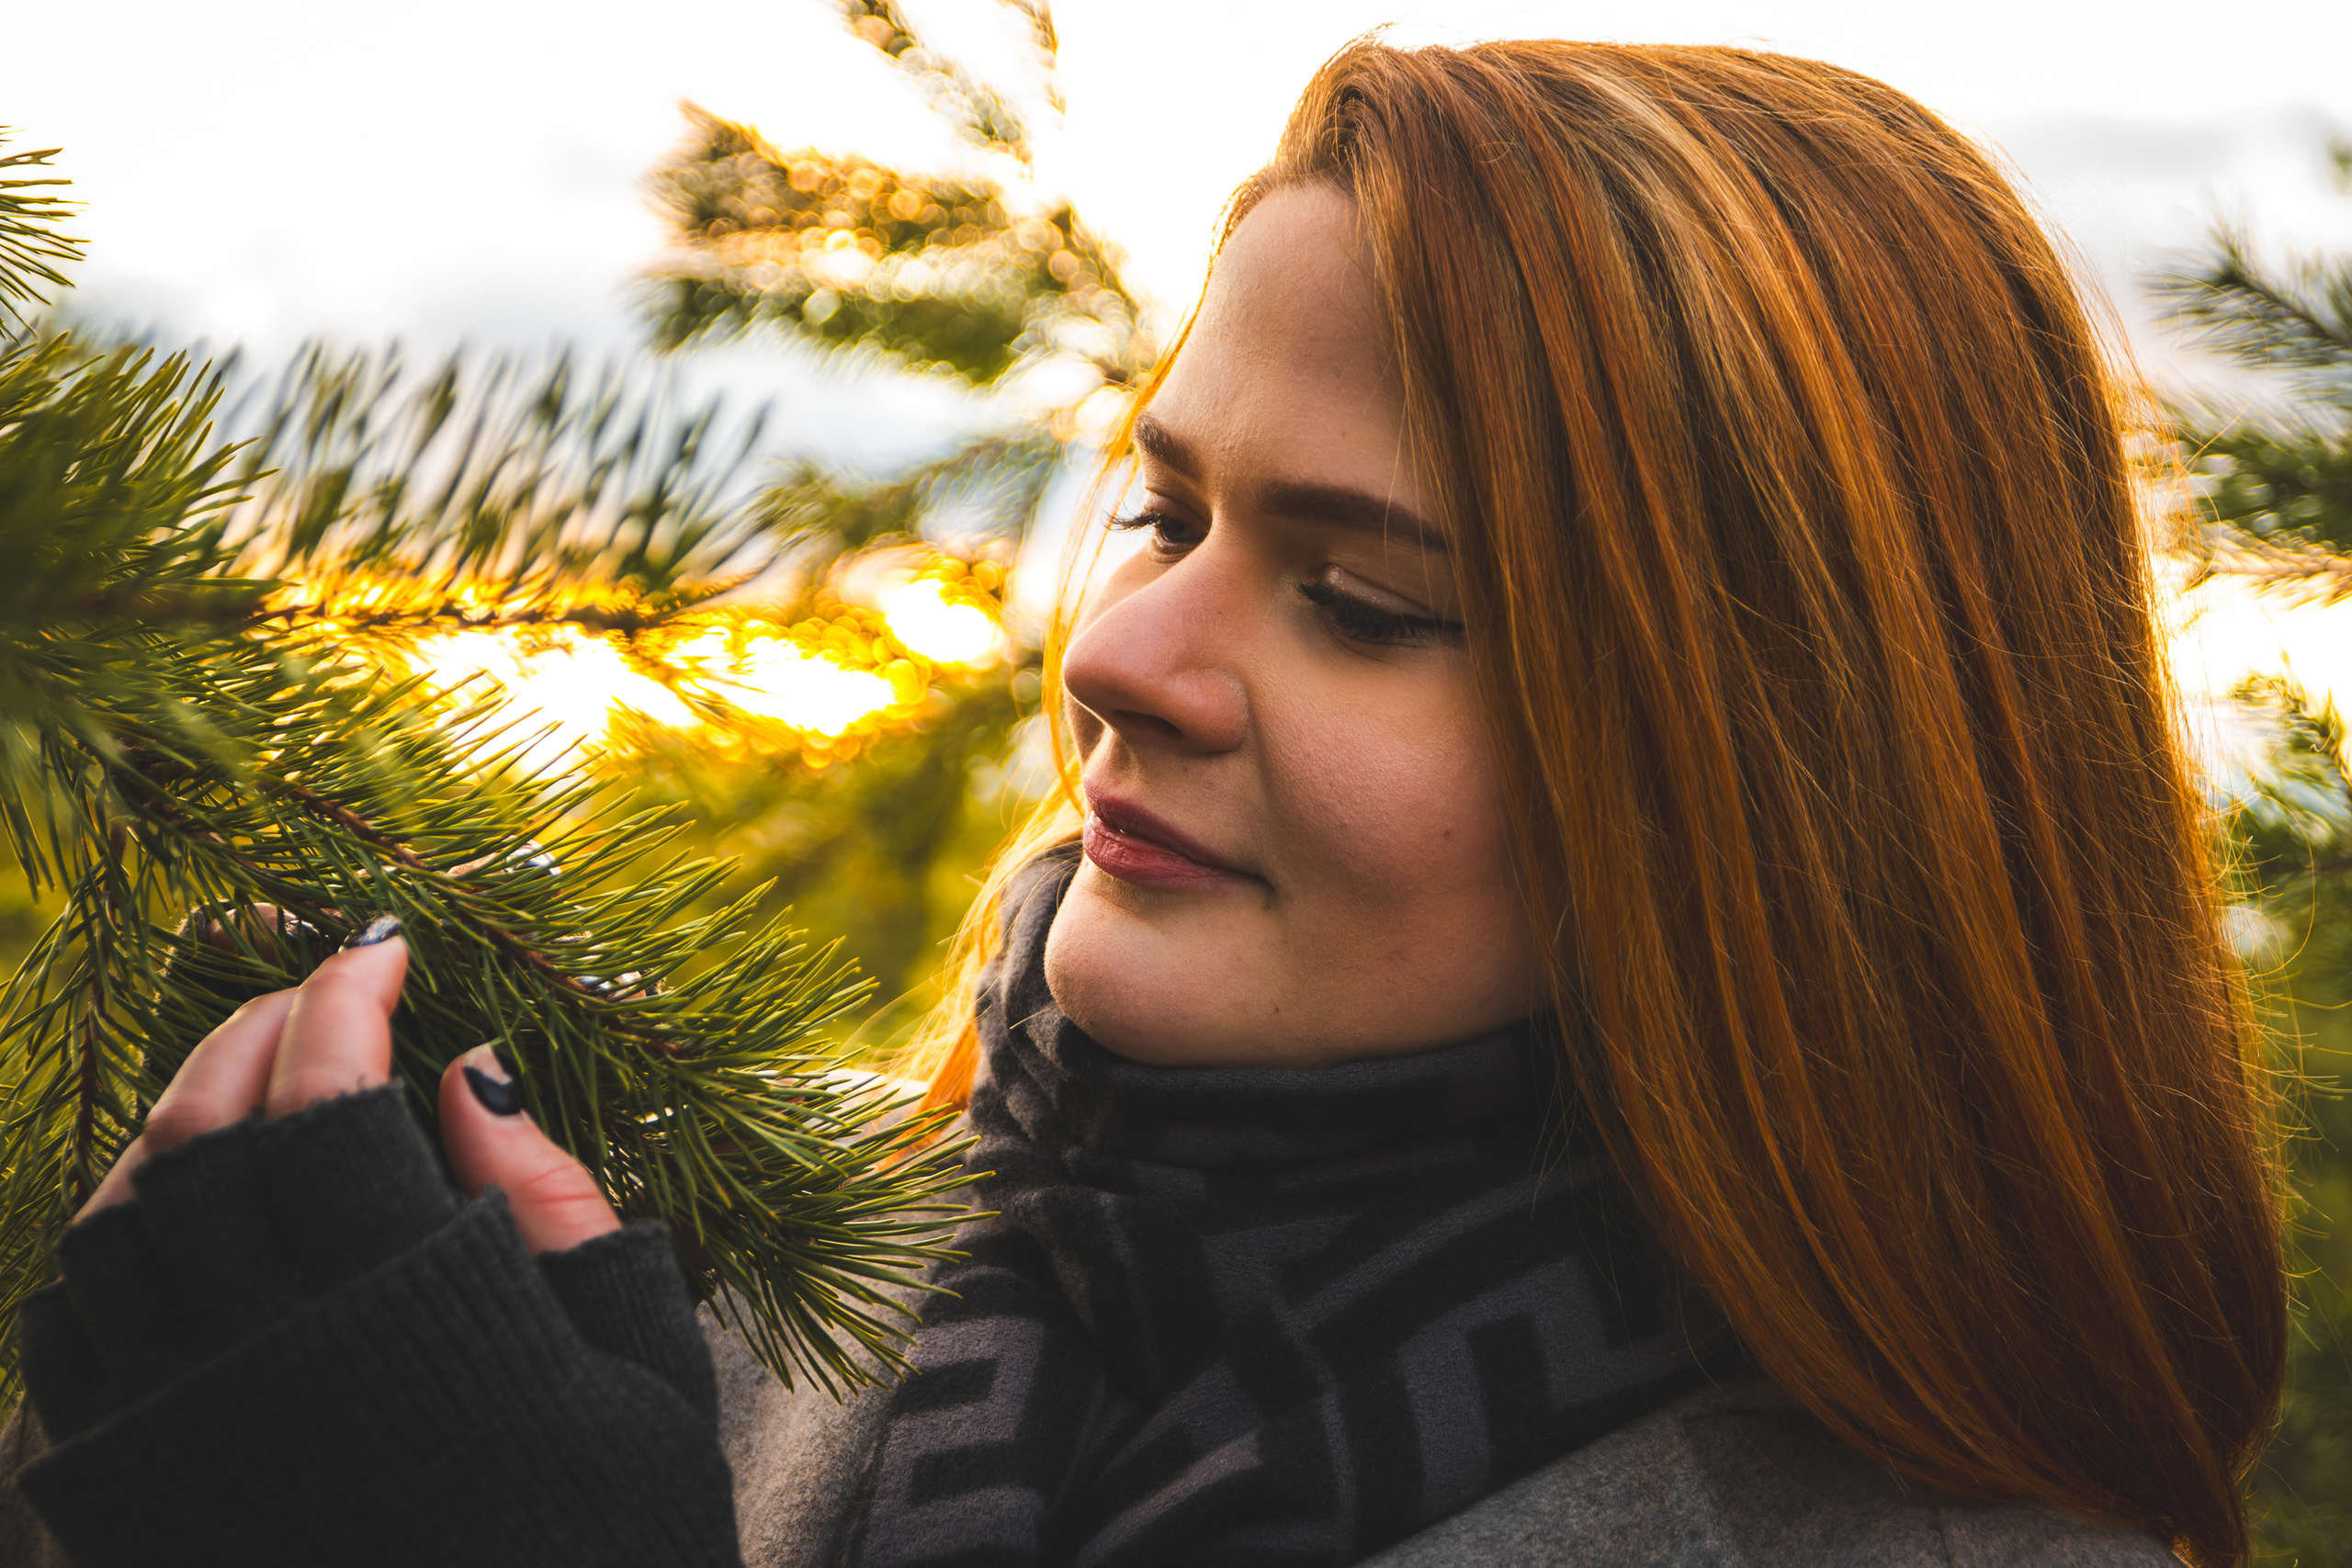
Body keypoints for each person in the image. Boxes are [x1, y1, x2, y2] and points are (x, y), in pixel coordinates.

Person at [0, 36, 2285, 1568]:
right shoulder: (696, 1309)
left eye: (1367, 599)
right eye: (1168, 515)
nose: (1115, 659)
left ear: (1779, 779)